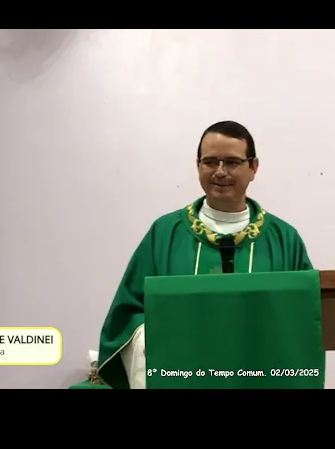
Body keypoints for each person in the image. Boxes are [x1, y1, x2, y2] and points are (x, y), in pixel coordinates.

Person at [97, 121, 313, 389]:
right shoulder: (164, 234)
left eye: (232, 162)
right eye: (210, 162)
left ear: (253, 167)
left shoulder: (284, 239)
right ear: (198, 165)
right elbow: (127, 316)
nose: (220, 172)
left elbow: (307, 320)